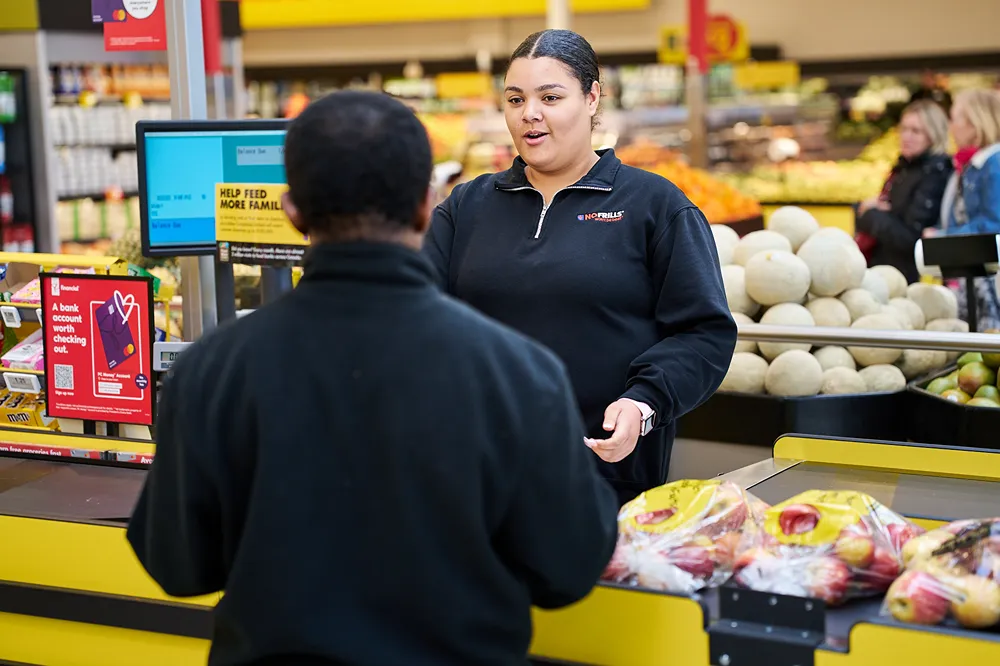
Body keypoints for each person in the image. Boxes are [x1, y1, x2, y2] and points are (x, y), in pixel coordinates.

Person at [126, 91, 619, 666]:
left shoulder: (212, 370)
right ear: (424, 206)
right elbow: (568, 568)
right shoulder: (517, 373)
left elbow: (177, 566)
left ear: (293, 212)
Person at [423, 30, 737, 507]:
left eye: (550, 97)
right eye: (515, 98)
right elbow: (419, 314)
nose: (530, 113)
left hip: (603, 476)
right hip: (478, 473)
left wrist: (643, 402)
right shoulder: (467, 206)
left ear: (592, 99)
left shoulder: (654, 205)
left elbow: (704, 333)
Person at [854, 100, 953, 283]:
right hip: (886, 268)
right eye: (904, 129)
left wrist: (870, 213)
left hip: (905, 277)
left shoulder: (934, 172)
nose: (906, 136)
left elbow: (911, 239)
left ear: (933, 134)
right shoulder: (905, 166)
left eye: (916, 131)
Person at [925, 88, 1000, 330]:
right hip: (973, 275)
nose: (950, 125)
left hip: (989, 280)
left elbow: (993, 224)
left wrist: (943, 239)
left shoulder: (993, 164)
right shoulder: (971, 164)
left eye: (955, 118)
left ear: (975, 122)